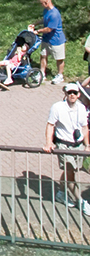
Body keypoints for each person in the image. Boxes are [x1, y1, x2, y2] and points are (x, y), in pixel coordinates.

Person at [43, 83, 90, 214]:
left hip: (78, 144)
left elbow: (84, 128)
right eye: (70, 93)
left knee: (72, 171)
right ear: (66, 94)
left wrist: (87, 145)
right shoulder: (57, 107)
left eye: (75, 93)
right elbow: (50, 125)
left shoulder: (81, 108)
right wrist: (48, 143)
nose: (72, 95)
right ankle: (80, 201)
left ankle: (61, 192)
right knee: (70, 172)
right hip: (64, 145)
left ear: (78, 94)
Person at [35, 0, 67, 85]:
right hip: (46, 39)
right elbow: (44, 20)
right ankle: (42, 73)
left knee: (59, 59)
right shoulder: (46, 11)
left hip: (56, 40)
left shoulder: (54, 14)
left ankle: (60, 75)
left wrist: (38, 31)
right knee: (43, 56)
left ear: (46, 2)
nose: (41, 5)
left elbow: (49, 29)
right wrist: (35, 24)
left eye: (41, 3)